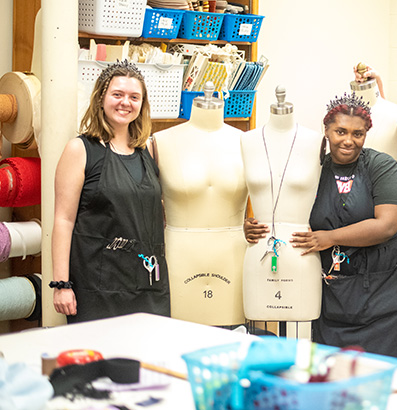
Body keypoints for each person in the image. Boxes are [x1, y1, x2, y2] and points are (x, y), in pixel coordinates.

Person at [289, 93, 397, 363]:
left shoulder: (380, 166)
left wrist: (329, 237)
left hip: (386, 293)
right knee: (334, 372)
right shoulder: (313, 171)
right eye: (340, 131)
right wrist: (253, 227)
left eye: (357, 134)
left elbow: (387, 225)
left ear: (366, 134)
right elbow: (288, 213)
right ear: (326, 131)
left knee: (384, 371)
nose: (348, 140)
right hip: (335, 297)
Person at [52, 60, 169, 323]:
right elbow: (63, 220)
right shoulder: (80, 150)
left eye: (133, 97)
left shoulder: (148, 151)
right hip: (97, 288)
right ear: (101, 98)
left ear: (142, 104)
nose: (125, 102)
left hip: (148, 285)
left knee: (145, 360)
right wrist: (61, 284)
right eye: (117, 94)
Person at [154, 83, 247, 326]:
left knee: (231, 344)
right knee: (177, 339)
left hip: (233, 256)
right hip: (180, 255)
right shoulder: (161, 141)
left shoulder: (247, 142)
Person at [240, 86, 323, 330]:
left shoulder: (315, 141)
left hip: (301, 250)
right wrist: (244, 223)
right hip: (260, 249)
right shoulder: (247, 140)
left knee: (301, 335)